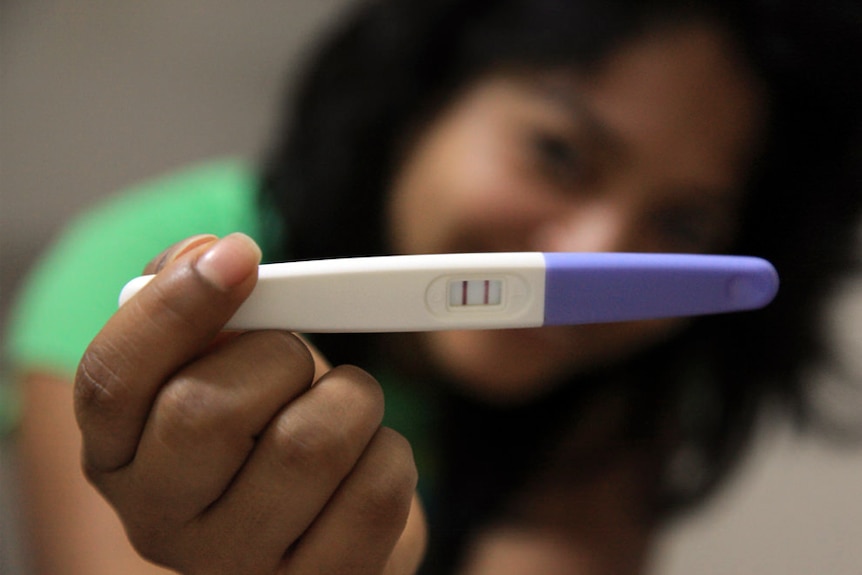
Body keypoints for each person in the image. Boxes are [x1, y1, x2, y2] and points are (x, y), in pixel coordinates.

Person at [6, 0, 861, 573]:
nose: (594, 255)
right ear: (424, 99)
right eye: (559, 153)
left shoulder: (632, 366)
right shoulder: (137, 268)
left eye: (681, 225)